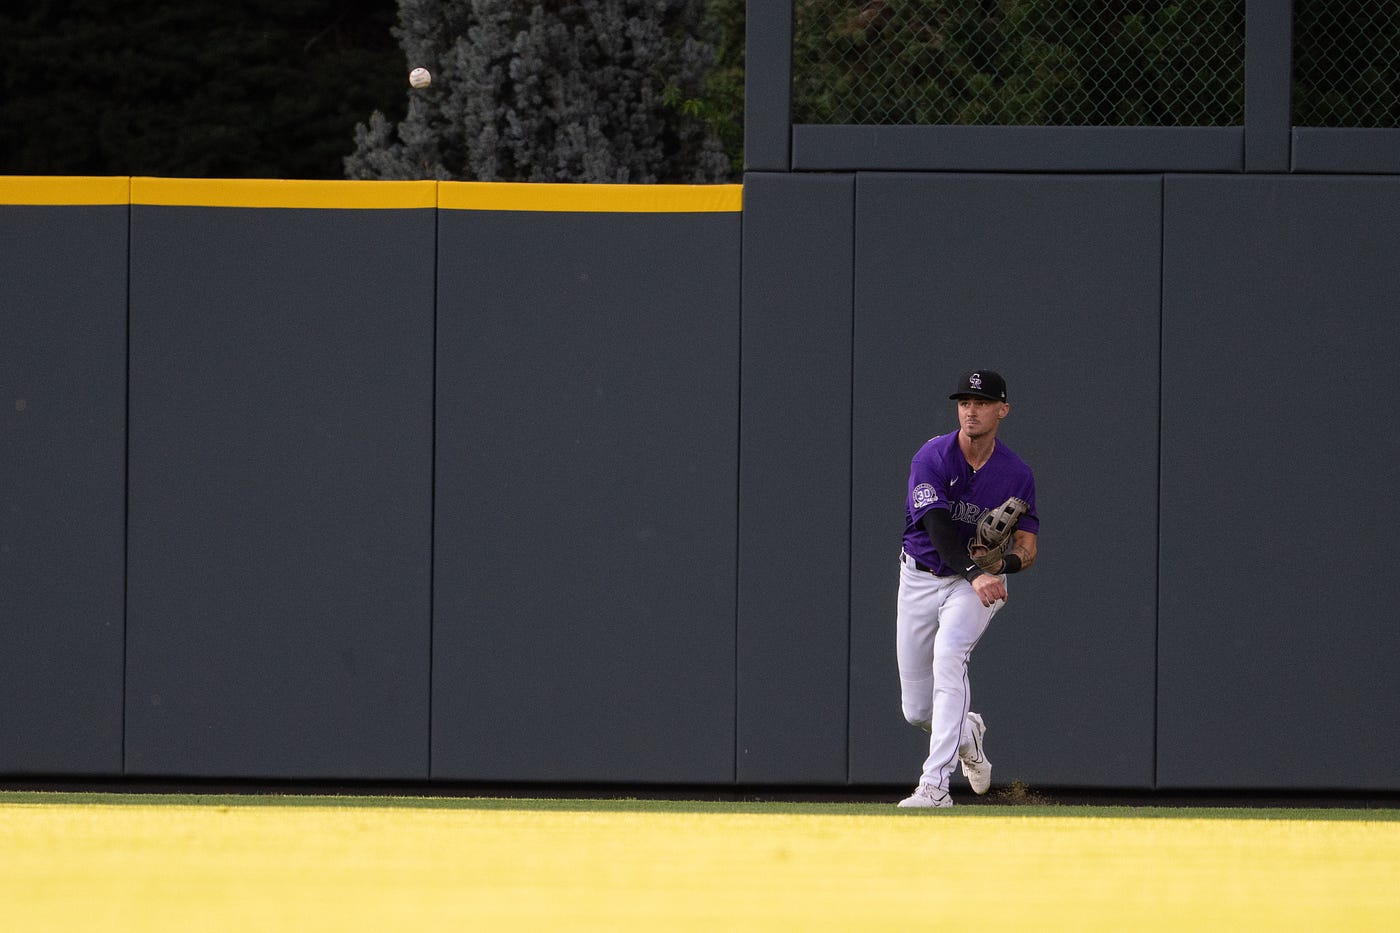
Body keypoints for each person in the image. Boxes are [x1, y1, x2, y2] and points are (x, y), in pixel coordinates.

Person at [895, 370, 1039, 808]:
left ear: (1002, 410)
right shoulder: (932, 456)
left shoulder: (1017, 473)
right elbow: (937, 528)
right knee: (917, 711)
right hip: (921, 576)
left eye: (980, 402)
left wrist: (1004, 564)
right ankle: (967, 733)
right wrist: (978, 569)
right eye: (964, 402)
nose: (970, 410)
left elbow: (1028, 546)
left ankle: (935, 787)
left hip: (970, 587)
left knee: (949, 656)